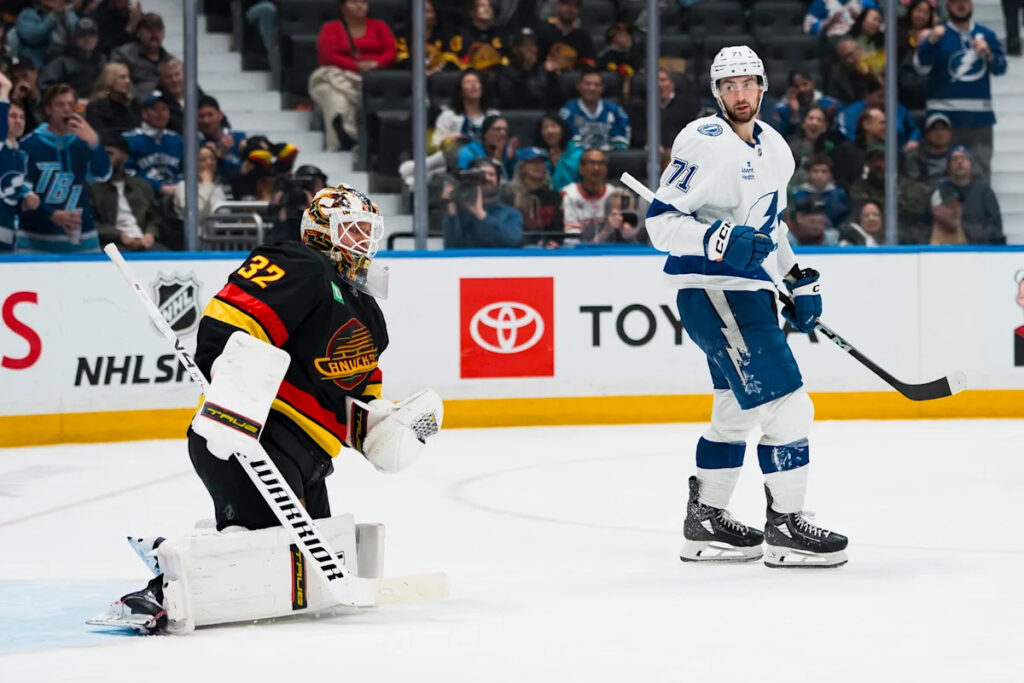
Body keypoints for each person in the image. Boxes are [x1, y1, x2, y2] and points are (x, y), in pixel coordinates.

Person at [90, 183, 444, 633]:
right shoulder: (299, 263)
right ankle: (159, 590)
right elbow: (231, 321)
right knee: (259, 550)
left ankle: (192, 561)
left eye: (368, 231)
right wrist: (231, 396)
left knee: (302, 577)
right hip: (254, 437)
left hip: (311, 457)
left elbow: (355, 396)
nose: (363, 242)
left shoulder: (369, 313)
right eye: (352, 229)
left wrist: (380, 426)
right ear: (320, 230)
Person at [644, 46, 848, 568]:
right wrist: (717, 238)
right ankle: (785, 528)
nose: (739, 94)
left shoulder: (776, 149)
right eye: (728, 85)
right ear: (717, 93)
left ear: (763, 87)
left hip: (747, 294)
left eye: (747, 83)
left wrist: (796, 277)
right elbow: (661, 225)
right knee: (790, 408)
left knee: (734, 413)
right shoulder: (702, 141)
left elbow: (769, 227)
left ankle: (706, 520)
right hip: (716, 293)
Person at [914, 0, 1006, 181]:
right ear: (948, 6)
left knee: (980, 172)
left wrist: (988, 54)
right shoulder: (938, 35)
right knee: (943, 172)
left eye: (964, 1)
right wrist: (930, 42)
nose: (961, 6)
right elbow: (921, 68)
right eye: (956, 2)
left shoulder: (986, 34)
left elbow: (1000, 68)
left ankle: (979, 208)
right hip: (944, 119)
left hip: (979, 119)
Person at [18, 82, 111, 253]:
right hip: (36, 240)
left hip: (83, 238)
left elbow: (102, 174)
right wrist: (51, 214)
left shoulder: (84, 141)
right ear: (48, 110)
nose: (67, 110)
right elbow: (21, 189)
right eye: (60, 105)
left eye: (70, 105)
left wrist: (95, 143)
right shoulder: (29, 144)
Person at [307, 0, 397, 151]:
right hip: (337, 75)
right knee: (337, 101)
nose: (360, 6)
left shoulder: (379, 25)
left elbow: (391, 52)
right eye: (354, 2)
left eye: (363, 2)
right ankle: (341, 140)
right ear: (343, 8)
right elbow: (328, 56)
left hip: (373, 77)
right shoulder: (331, 28)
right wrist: (355, 66)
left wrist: (376, 63)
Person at [90, 133, 164, 250]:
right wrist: (119, 235)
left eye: (109, 154)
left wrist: (150, 234)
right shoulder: (92, 187)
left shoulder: (141, 186)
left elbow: (154, 218)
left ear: (124, 157)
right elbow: (92, 224)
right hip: (111, 244)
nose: (104, 159)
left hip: (144, 241)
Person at [561, 147, 640, 244]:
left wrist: (628, 230)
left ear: (607, 169)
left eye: (601, 163)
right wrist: (606, 231)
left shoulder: (616, 194)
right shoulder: (570, 194)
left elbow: (631, 234)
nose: (596, 168)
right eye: (592, 163)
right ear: (581, 168)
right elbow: (571, 240)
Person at [441, 157, 523, 248]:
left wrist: (480, 213)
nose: (486, 178)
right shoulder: (461, 214)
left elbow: (512, 241)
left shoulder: (511, 213)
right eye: (481, 175)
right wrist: (451, 206)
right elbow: (451, 248)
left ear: (498, 180)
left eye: (491, 174)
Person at [0, 73, 40, 252]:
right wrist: (5, 88)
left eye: (21, 117)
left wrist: (26, 198)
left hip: (8, 230)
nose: (18, 121)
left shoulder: (21, 154)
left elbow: (17, 190)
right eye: (12, 116)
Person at [123, 91, 183, 201]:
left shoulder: (177, 139)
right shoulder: (130, 139)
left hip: (176, 195)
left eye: (164, 109)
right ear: (144, 113)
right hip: (141, 197)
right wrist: (158, 187)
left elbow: (184, 171)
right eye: (155, 109)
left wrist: (179, 186)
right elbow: (128, 174)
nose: (161, 114)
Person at [939, 145, 1004, 244]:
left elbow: (995, 226)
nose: (959, 162)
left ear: (970, 164)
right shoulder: (940, 190)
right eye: (954, 159)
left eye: (964, 158)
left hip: (980, 249)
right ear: (948, 166)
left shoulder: (984, 191)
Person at [559, 66, 631, 151]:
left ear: (602, 88)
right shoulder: (567, 112)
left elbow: (622, 142)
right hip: (577, 160)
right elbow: (565, 143)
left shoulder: (616, 112)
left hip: (608, 159)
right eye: (587, 84)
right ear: (579, 86)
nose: (592, 88)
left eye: (596, 85)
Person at [491, 27, 562, 111]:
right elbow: (509, 101)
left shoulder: (543, 70)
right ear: (515, 49)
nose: (531, 49)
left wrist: (552, 76)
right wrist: (525, 72)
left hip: (542, 115)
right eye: (525, 45)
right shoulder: (505, 72)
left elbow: (558, 101)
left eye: (533, 45)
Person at [503, 146, 563, 245]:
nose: (538, 166)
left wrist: (554, 242)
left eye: (541, 162)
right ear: (522, 167)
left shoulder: (553, 197)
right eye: (533, 162)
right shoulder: (509, 195)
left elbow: (558, 230)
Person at [111, 12, 174, 104]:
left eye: (158, 30)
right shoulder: (122, 55)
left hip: (166, 109)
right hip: (131, 109)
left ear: (163, 32)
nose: (154, 34)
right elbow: (120, 86)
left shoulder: (170, 62)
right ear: (138, 33)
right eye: (149, 30)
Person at [38, 16, 106, 101]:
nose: (87, 39)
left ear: (97, 39)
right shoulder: (62, 62)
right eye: (82, 35)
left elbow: (109, 87)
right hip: (70, 107)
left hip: (98, 105)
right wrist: (72, 100)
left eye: (91, 34)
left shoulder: (102, 61)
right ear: (75, 40)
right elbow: (44, 86)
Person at [13, 0, 79, 68]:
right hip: (37, 66)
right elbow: (33, 37)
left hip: (65, 64)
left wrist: (66, 16)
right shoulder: (27, 14)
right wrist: (53, 18)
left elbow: (78, 36)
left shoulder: (70, 15)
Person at [792, 154, 850, 228]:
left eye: (824, 171)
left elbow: (844, 219)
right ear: (809, 173)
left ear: (830, 174)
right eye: (815, 171)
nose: (819, 175)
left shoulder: (839, 194)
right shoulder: (799, 193)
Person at [197, 95, 246, 181]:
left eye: (210, 115)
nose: (206, 121)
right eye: (201, 116)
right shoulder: (195, 144)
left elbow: (245, 170)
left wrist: (224, 156)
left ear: (220, 115)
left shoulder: (238, 138)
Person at [536, 0, 595, 72]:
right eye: (566, 4)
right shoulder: (542, 31)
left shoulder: (583, 36)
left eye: (575, 6)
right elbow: (535, 61)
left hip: (573, 79)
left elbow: (589, 62)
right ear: (557, 5)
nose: (570, 9)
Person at [85, 62, 141, 136]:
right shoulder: (95, 107)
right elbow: (99, 135)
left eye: (128, 77)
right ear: (110, 80)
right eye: (122, 77)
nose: (127, 81)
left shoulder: (132, 103)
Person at [534, 112, 581, 191]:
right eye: (545, 127)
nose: (549, 131)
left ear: (562, 129)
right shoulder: (535, 157)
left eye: (554, 126)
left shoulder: (579, 156)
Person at [904, 112, 953, 184]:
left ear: (950, 134)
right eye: (934, 129)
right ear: (927, 134)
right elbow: (912, 184)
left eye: (943, 128)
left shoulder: (958, 156)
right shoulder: (914, 156)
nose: (939, 133)